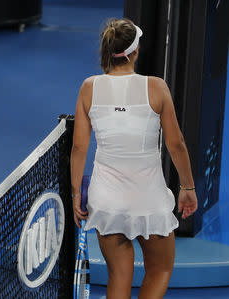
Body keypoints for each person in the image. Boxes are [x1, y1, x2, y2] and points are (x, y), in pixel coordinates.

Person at [70, 18, 198, 299]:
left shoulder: (88, 88)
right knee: (161, 269)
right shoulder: (157, 87)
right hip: (148, 201)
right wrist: (187, 188)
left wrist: (76, 191)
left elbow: (79, 147)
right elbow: (176, 145)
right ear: (135, 51)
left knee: (118, 274)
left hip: (106, 201)